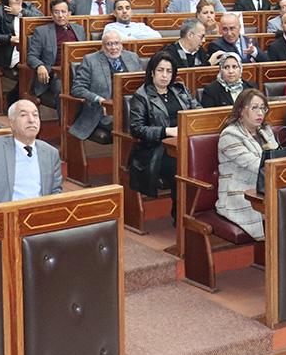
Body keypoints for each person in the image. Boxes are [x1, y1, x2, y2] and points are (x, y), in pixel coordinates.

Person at [127, 52, 200, 216]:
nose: (164, 75)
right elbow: (137, 129)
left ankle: (197, 211)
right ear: (152, 72)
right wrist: (166, 131)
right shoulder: (142, 96)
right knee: (181, 166)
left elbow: (199, 114)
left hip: (186, 144)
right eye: (160, 70)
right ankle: (180, 215)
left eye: (169, 71)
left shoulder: (181, 90)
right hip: (156, 151)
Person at [214, 89, 275, 239]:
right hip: (239, 194)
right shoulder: (230, 135)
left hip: (264, 188)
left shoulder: (266, 131)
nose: (260, 113)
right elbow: (256, 165)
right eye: (254, 108)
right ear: (241, 110)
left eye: (263, 108)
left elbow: (276, 158)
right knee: (283, 209)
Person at [69, 32, 142, 140]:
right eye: (109, 44)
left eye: (117, 43)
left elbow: (141, 83)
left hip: (133, 108)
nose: (114, 47)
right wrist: (98, 99)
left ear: (122, 44)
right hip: (103, 112)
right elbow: (77, 88)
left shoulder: (132, 57)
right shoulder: (90, 60)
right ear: (103, 46)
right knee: (132, 127)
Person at [26, 0, 84, 106]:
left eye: (63, 12)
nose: (60, 15)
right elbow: (31, 56)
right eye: (56, 12)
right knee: (63, 91)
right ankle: (65, 123)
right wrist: (40, 66)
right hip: (56, 76)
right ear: (52, 15)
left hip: (80, 74)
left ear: (70, 14)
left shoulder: (80, 30)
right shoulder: (42, 32)